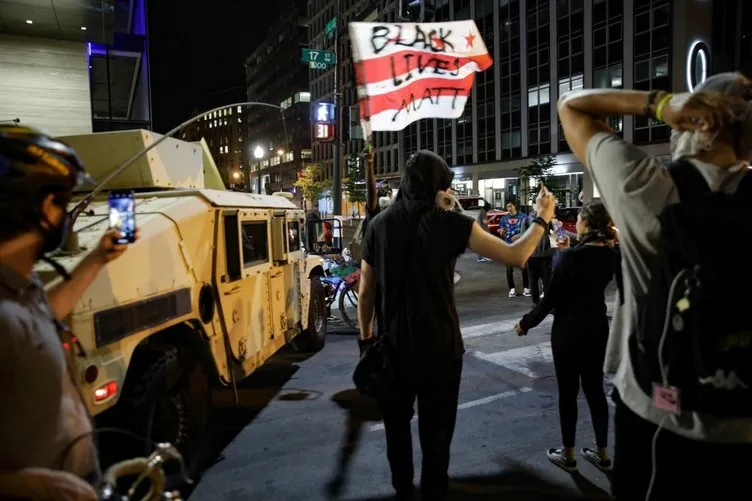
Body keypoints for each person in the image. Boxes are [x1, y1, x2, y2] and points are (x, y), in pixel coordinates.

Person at [557, 73, 752, 500]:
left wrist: (662, 103)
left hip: (657, 415)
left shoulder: (646, 185)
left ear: (689, 124)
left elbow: (572, 105)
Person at [357, 150, 556, 500]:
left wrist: (366, 339)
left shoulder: (378, 225)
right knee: (436, 440)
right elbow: (516, 256)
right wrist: (542, 218)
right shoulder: (451, 224)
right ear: (438, 185)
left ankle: (403, 490)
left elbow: (365, 293)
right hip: (440, 349)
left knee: (396, 434)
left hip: (393, 349)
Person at [0, 126, 136, 500]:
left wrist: (97, 259)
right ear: (45, 209)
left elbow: (43, 318)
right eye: (63, 202)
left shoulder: (19, 291)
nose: (66, 214)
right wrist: (23, 485)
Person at [514, 201, 617, 473]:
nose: (577, 223)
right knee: (595, 390)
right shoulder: (611, 254)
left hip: (568, 332)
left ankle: (568, 454)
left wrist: (526, 322)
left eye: (580, 218)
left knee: (568, 394)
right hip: (596, 328)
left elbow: (551, 298)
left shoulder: (571, 257)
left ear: (587, 223)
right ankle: (603, 453)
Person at [519, 204, 554, 303]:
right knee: (533, 283)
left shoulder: (548, 219)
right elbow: (523, 239)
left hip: (545, 256)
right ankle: (536, 304)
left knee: (548, 282)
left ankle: (548, 305)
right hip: (532, 257)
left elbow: (556, 234)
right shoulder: (526, 220)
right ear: (533, 205)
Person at [499, 200, 530, 297]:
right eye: (507, 206)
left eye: (511, 206)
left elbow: (529, 230)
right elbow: (501, 233)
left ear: (515, 206)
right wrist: (502, 232)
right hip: (508, 245)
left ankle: (526, 288)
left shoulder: (523, 217)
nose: (509, 208)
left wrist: (519, 235)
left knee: (524, 267)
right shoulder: (504, 218)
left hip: (521, 245)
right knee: (509, 269)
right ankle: (512, 289)